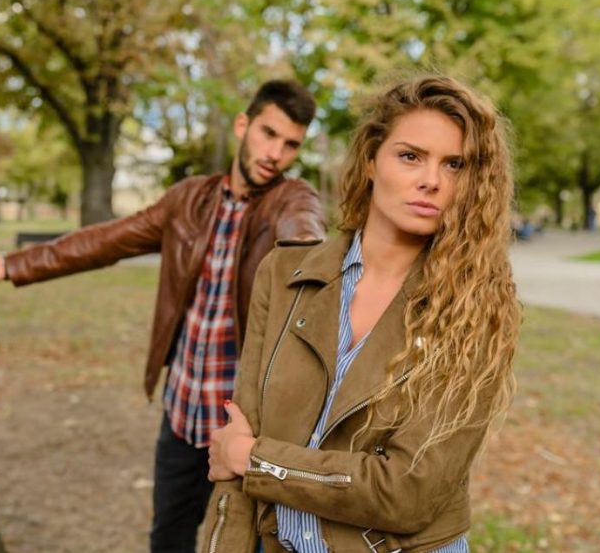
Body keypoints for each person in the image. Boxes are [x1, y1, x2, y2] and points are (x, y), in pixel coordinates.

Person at [0, 80, 326, 553]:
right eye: (269, 134)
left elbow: (305, 238)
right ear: (243, 125)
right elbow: (107, 240)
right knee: (168, 539)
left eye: (290, 145)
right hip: (183, 413)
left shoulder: (292, 199)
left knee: (255, 545)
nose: (276, 154)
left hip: (247, 426)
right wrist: (10, 265)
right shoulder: (187, 200)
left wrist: (310, 260)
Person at [203, 75, 521, 553]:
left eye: (454, 164)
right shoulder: (283, 274)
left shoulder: (478, 307)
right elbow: (235, 450)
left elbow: (405, 493)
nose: (431, 181)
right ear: (372, 160)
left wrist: (257, 461)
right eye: (410, 156)